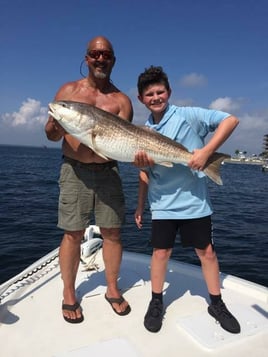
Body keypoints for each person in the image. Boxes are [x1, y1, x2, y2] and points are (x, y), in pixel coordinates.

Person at [134, 66, 241, 334]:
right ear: (141, 99)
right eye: (149, 94)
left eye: (160, 92)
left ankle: (216, 303)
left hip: (194, 201)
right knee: (160, 253)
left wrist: (206, 153)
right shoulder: (142, 132)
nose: (155, 97)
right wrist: (139, 205)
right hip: (162, 204)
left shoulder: (188, 116)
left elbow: (231, 120)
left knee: (206, 252)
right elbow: (145, 175)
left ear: (169, 92)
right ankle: (156, 301)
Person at [45, 36, 133, 323]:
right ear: (86, 58)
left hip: (109, 172)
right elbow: (51, 134)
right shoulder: (68, 91)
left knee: (113, 232)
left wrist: (143, 158)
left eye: (105, 54)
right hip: (75, 170)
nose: (100, 58)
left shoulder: (121, 101)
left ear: (113, 60)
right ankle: (69, 293)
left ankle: (111, 288)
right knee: (72, 233)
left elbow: (126, 143)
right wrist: (53, 127)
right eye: (95, 54)